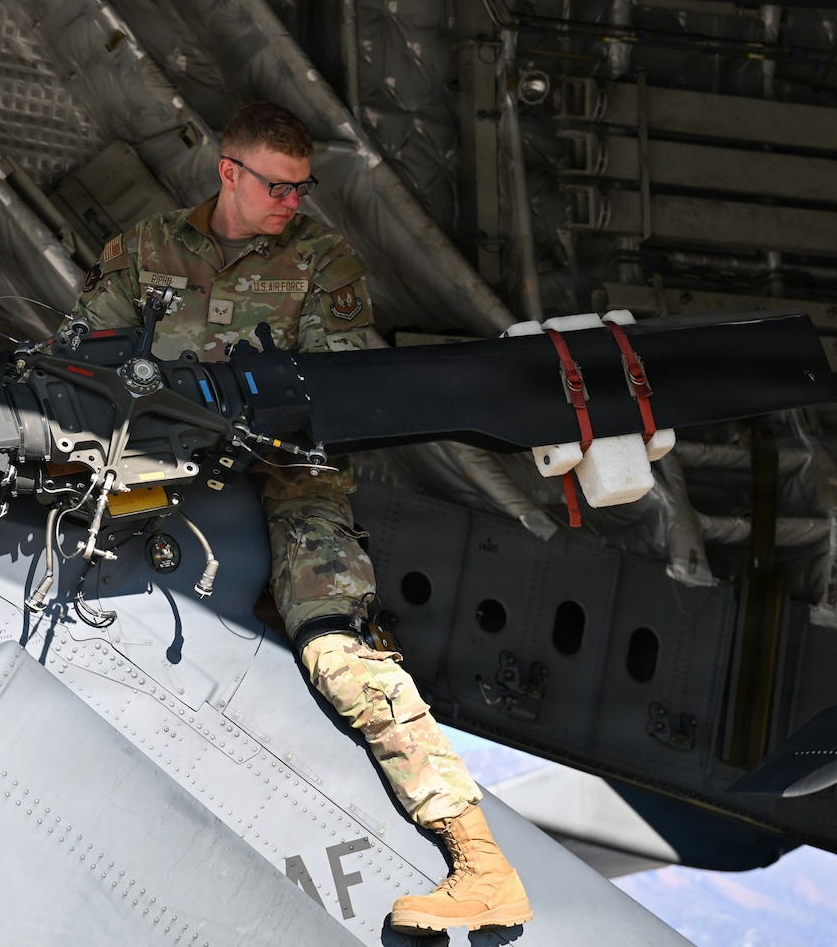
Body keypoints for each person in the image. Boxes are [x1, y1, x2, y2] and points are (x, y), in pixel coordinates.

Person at [72, 101, 532, 935]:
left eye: (301, 187)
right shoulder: (144, 251)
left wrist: (249, 402)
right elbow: (84, 356)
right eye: (277, 187)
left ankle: (480, 863)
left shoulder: (324, 262)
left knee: (334, 648)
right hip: (167, 472)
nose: (292, 202)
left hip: (292, 478)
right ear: (229, 173)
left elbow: (343, 394)